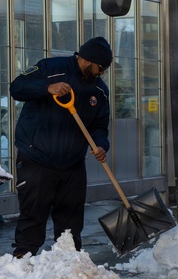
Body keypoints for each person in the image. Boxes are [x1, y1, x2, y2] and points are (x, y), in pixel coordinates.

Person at [9, 37, 112, 258]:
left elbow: (100, 126)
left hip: (72, 164)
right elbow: (17, 88)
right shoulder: (50, 68)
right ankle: (21, 264)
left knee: (71, 222)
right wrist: (47, 87)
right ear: (87, 60)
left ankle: (70, 264)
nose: (102, 72)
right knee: (32, 215)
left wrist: (101, 145)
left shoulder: (99, 91)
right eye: (101, 67)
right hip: (37, 158)